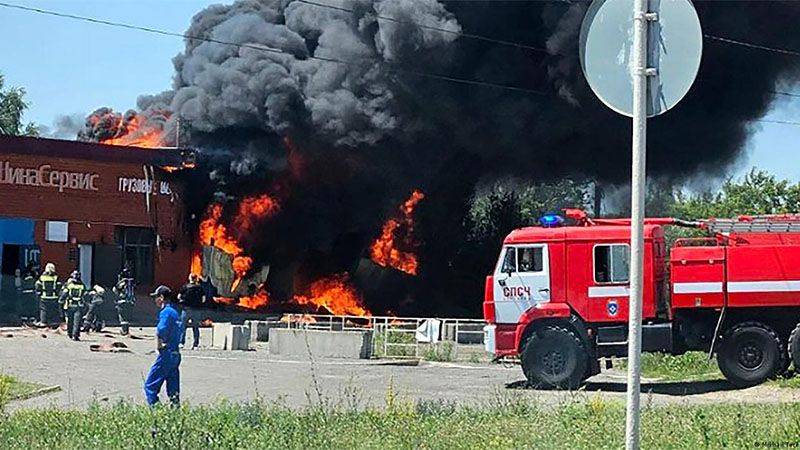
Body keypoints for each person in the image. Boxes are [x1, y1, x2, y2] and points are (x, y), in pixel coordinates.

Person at [144, 285, 182, 406]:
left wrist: (159, 345)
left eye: (156, 297)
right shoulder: (175, 312)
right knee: (173, 390)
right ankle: (175, 414)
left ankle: (157, 413)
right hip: (176, 353)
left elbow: (161, 330)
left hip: (167, 353)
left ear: (161, 297)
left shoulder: (165, 312)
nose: (155, 300)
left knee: (150, 386)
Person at [178, 273, 206, 349]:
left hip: (186, 309)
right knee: (195, 327)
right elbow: (203, 300)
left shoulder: (185, 287)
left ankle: (181, 342)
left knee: (183, 326)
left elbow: (179, 297)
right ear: (196, 279)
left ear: (189, 278)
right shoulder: (200, 288)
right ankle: (195, 344)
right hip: (196, 310)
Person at [59, 271, 86, 341]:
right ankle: (75, 335)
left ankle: (70, 333)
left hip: (70, 305)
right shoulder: (82, 285)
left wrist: (61, 301)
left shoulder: (69, 285)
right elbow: (85, 295)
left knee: (70, 320)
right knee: (77, 321)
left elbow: (64, 294)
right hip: (79, 306)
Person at [34, 263, 60, 327]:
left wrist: (39, 293)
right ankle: (53, 322)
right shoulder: (55, 277)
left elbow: (37, 285)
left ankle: (43, 322)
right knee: (53, 309)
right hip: (53, 297)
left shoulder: (42, 277)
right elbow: (59, 286)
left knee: (43, 309)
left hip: (44, 296)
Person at [113, 266, 136, 335]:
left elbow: (115, 290)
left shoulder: (122, 282)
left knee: (122, 316)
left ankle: (124, 331)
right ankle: (126, 330)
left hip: (122, 301)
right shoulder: (132, 282)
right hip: (131, 301)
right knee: (127, 316)